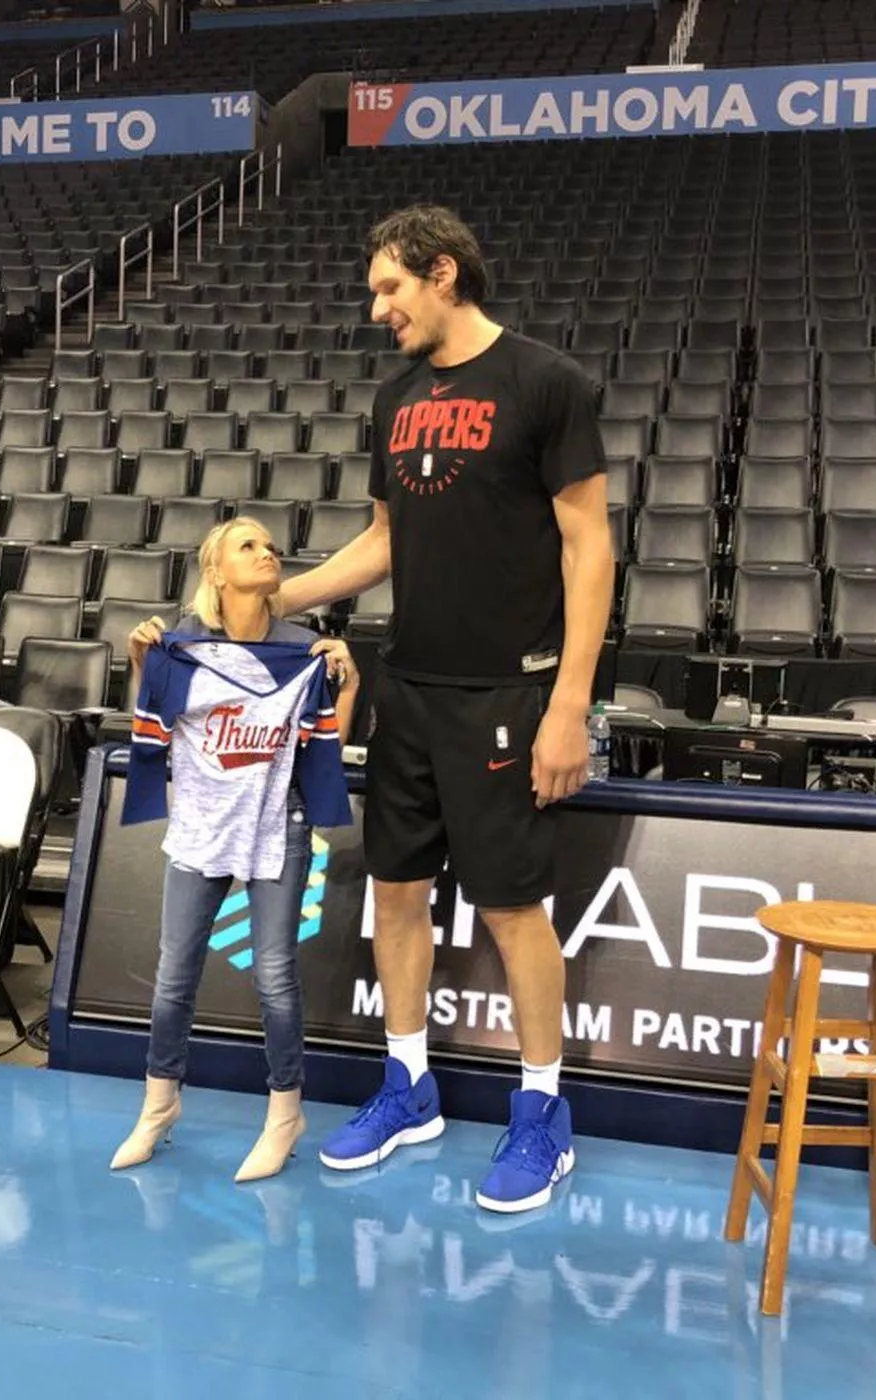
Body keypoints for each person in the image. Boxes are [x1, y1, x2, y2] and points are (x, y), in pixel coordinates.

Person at [279, 205, 614, 1213]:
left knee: (512, 908)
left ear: (442, 274)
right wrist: (277, 596)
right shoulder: (391, 400)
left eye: (388, 287)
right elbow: (381, 539)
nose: (376, 307)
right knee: (394, 890)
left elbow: (587, 546)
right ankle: (408, 1084)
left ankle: (542, 1113)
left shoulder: (546, 384)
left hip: (510, 691)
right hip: (410, 690)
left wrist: (568, 703)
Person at [110, 516, 360, 1183]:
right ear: (215, 570)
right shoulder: (179, 643)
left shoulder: (303, 647)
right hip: (200, 823)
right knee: (173, 976)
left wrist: (346, 680)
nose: (267, 552)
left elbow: (330, 742)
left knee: (275, 976)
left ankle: (285, 1114)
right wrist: (145, 666)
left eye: (271, 545)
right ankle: (159, 1105)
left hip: (282, 822)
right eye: (248, 545)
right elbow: (154, 724)